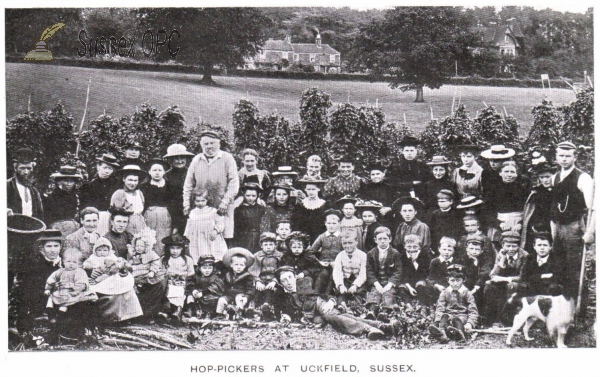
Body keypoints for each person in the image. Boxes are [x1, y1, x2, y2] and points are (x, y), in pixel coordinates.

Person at [273, 266, 400, 340]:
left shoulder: (306, 283)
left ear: (295, 276)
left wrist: (331, 300)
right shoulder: (282, 295)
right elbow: (284, 311)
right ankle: (383, 326)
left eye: (290, 277)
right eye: (284, 280)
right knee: (343, 318)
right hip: (311, 316)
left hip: (319, 304)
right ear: (280, 283)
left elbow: (322, 292)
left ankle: (368, 329)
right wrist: (286, 316)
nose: (288, 282)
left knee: (330, 316)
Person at [549, 141, 594, 299]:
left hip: (574, 227)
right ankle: (561, 307)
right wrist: (553, 227)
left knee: (573, 268)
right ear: (556, 157)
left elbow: (594, 208)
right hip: (558, 227)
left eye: (568, 156)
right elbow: (555, 207)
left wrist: (590, 232)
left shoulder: (583, 178)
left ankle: (577, 310)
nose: (564, 159)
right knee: (558, 266)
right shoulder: (555, 178)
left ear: (575, 158)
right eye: (561, 155)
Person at [183, 131, 240, 241]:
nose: (209, 146)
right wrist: (186, 203)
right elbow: (188, 184)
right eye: (206, 144)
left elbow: (234, 183)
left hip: (222, 205)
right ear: (201, 145)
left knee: (222, 235)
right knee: (203, 236)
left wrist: (225, 202)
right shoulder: (197, 159)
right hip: (201, 205)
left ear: (219, 143)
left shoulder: (227, 158)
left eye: (212, 143)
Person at [16, 229, 64, 330]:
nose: (52, 250)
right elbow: (31, 290)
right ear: (42, 249)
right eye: (49, 246)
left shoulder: (66, 263)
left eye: (56, 246)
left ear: (61, 247)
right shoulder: (35, 266)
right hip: (43, 301)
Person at [483, 231, 528, 327]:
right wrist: (502, 261)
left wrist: (505, 279)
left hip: (519, 282)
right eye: (508, 246)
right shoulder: (501, 254)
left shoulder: (525, 256)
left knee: (510, 287)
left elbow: (523, 277)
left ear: (518, 246)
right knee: (489, 287)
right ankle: (489, 319)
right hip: (503, 280)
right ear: (503, 245)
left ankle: (503, 320)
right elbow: (493, 274)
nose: (511, 249)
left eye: (514, 246)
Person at [428, 264, 478, 343]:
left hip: (462, 316)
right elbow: (440, 308)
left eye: (458, 280)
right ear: (448, 280)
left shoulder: (467, 293)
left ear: (463, 280)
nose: (455, 283)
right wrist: (438, 320)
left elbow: (473, 310)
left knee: (457, 320)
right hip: (448, 315)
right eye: (452, 280)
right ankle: (441, 334)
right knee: (444, 317)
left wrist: (470, 323)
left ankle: (461, 335)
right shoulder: (445, 293)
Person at [127, 228, 167, 323]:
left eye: (142, 246)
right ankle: (134, 315)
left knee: (155, 288)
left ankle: (148, 314)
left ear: (146, 246)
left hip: (147, 276)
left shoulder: (151, 255)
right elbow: (129, 265)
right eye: (137, 245)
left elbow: (156, 263)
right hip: (136, 276)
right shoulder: (133, 255)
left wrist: (152, 271)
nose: (139, 248)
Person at [365, 226, 402, 321]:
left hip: (389, 282)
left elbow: (398, 271)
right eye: (380, 239)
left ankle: (385, 311)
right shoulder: (371, 253)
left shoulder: (395, 253)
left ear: (390, 239)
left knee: (388, 293)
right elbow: (369, 271)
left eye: (385, 238)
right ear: (375, 240)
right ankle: (372, 310)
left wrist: (390, 284)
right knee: (374, 292)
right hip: (377, 281)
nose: (382, 241)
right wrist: (376, 284)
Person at [484, 161, 531, 237]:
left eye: (512, 172)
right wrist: (499, 223)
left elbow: (529, 210)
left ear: (516, 174)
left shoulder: (523, 189)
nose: (509, 175)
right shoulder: (493, 189)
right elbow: (487, 210)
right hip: (500, 223)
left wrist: (521, 224)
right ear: (500, 173)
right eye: (506, 171)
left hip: (519, 224)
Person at [44, 249, 97, 315]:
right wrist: (48, 288)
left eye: (74, 262)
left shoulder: (79, 272)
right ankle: (49, 310)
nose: (71, 264)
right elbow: (52, 278)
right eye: (68, 261)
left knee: (65, 302)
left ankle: (61, 314)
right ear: (64, 262)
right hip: (61, 291)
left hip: (73, 292)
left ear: (79, 264)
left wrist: (76, 290)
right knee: (52, 297)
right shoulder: (61, 271)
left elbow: (82, 283)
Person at [79, 153, 121, 235]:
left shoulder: (116, 185)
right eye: (104, 168)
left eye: (110, 169)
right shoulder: (88, 185)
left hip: (110, 219)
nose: (107, 171)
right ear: (98, 167)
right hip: (94, 220)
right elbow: (84, 207)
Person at [143, 158, 177, 255]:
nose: (157, 173)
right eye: (154, 170)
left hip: (165, 218)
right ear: (149, 172)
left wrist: (176, 225)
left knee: (163, 240)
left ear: (164, 172)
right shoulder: (144, 187)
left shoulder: (170, 187)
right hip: (149, 217)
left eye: (159, 170)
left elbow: (174, 206)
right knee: (149, 239)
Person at [521, 153, 556, 251]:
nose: (545, 180)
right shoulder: (536, 192)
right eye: (542, 177)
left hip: (554, 225)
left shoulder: (558, 190)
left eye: (547, 176)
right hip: (538, 227)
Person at [185, 188, 228, 264]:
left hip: (211, 238)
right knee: (198, 253)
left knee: (213, 252)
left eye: (203, 201)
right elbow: (189, 226)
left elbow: (220, 223)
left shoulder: (213, 211)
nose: (200, 203)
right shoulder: (192, 212)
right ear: (194, 201)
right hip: (197, 238)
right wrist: (188, 237)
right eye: (197, 201)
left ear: (207, 200)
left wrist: (216, 230)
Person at [160, 234, 195, 320]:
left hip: (183, 282)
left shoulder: (188, 260)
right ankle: (167, 310)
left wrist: (183, 278)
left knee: (180, 290)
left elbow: (191, 275)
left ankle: (178, 310)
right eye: (172, 248)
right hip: (168, 282)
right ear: (168, 248)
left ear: (182, 248)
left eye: (178, 248)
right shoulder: (164, 259)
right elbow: (161, 273)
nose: (175, 251)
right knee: (168, 289)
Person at [249, 232, 284, 317]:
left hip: (274, 280)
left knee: (270, 289)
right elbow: (252, 270)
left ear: (275, 245)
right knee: (256, 290)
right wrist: (257, 281)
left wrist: (274, 281)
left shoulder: (280, 255)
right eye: (266, 244)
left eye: (271, 244)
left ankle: (267, 305)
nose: (268, 247)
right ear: (261, 245)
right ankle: (252, 307)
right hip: (261, 279)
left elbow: (283, 270)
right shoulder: (257, 256)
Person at [518, 232, 563, 296]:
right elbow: (524, 277)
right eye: (539, 245)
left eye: (545, 245)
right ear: (534, 246)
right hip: (532, 294)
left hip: (549, 294)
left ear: (550, 247)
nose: (542, 248)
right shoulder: (529, 259)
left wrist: (534, 277)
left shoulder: (557, 260)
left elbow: (557, 279)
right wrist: (542, 276)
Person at [216, 248, 256, 319]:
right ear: (231, 265)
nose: (238, 267)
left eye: (241, 265)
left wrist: (247, 297)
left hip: (241, 294)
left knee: (239, 299)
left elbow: (250, 288)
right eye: (236, 265)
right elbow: (223, 285)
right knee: (221, 300)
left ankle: (239, 313)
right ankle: (220, 314)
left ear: (245, 266)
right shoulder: (228, 275)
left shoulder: (247, 276)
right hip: (229, 295)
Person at [310, 209, 343, 294]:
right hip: (324, 265)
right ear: (325, 223)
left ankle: (327, 297)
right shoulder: (322, 237)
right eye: (329, 223)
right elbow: (310, 252)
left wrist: (338, 262)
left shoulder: (342, 237)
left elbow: (347, 252)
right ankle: (315, 297)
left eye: (334, 223)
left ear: (339, 224)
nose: (331, 226)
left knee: (333, 277)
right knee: (322, 275)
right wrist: (319, 262)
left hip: (338, 266)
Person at [164, 143, 195, 234]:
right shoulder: (167, 175)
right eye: (176, 158)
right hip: (173, 210)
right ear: (171, 160)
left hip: (191, 207)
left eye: (182, 158)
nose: (179, 161)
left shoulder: (192, 172)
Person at [43, 165, 83, 236]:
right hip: (56, 229)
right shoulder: (51, 197)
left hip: (73, 228)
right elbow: (48, 218)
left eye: (71, 181)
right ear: (59, 182)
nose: (69, 184)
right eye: (66, 181)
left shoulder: (76, 196)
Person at [233, 183, 273, 253]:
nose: (251, 198)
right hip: (244, 238)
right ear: (244, 195)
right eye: (248, 195)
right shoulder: (239, 209)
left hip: (259, 236)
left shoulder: (261, 208)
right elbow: (237, 228)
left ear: (257, 196)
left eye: (253, 196)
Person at [110, 164, 149, 236]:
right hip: (126, 227)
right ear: (124, 179)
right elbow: (115, 214)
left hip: (140, 225)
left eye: (135, 180)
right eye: (130, 180)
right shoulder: (119, 193)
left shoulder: (139, 193)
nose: (133, 183)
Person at [332, 234, 367, 311]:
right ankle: (341, 304)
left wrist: (355, 285)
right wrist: (341, 285)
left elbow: (363, 273)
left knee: (360, 291)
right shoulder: (340, 255)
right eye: (344, 243)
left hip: (358, 279)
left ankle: (356, 306)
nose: (347, 246)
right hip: (346, 279)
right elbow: (337, 271)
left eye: (350, 243)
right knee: (340, 292)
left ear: (356, 242)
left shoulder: (363, 255)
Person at [7, 148, 44, 219]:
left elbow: (40, 215)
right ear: (15, 168)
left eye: (29, 168)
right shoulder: (7, 186)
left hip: (30, 228)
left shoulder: (34, 191)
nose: (26, 172)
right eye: (22, 168)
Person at [423, 237, 460, 306]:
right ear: (439, 249)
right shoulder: (435, 262)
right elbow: (430, 277)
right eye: (444, 249)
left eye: (449, 250)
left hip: (451, 286)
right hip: (438, 286)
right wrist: (437, 285)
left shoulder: (456, 262)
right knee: (428, 288)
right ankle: (430, 306)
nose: (446, 252)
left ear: (454, 251)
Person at [461, 234, 493, 314]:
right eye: (471, 248)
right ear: (466, 249)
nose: (474, 252)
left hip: (479, 285)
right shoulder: (462, 258)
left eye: (477, 249)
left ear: (482, 250)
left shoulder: (486, 259)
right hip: (466, 283)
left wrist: (476, 288)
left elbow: (485, 274)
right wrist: (474, 265)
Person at [291, 177, 329, 242]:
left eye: (313, 189)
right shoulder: (300, 205)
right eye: (309, 189)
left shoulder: (324, 205)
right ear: (305, 190)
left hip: (320, 238)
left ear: (318, 189)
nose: (311, 192)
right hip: (303, 238)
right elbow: (296, 224)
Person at [397, 234, 432, 303]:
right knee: (401, 289)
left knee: (421, 287)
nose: (412, 250)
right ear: (404, 246)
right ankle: (408, 305)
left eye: (415, 247)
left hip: (420, 281)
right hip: (406, 282)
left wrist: (415, 262)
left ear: (419, 247)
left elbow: (425, 273)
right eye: (409, 247)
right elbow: (401, 274)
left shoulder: (425, 256)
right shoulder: (401, 257)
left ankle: (422, 304)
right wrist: (409, 287)